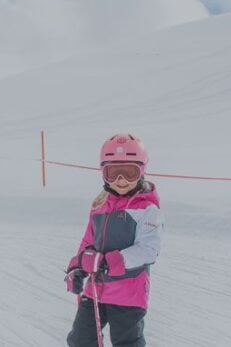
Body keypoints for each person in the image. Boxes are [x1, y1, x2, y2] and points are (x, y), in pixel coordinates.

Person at [64, 133, 165, 347]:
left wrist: (107, 262)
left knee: (127, 343)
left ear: (142, 171)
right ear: (103, 174)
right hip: (95, 289)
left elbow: (148, 250)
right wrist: (77, 267)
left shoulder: (147, 209)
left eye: (129, 172)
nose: (121, 180)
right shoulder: (100, 205)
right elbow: (88, 241)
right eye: (113, 173)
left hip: (129, 294)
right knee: (80, 340)